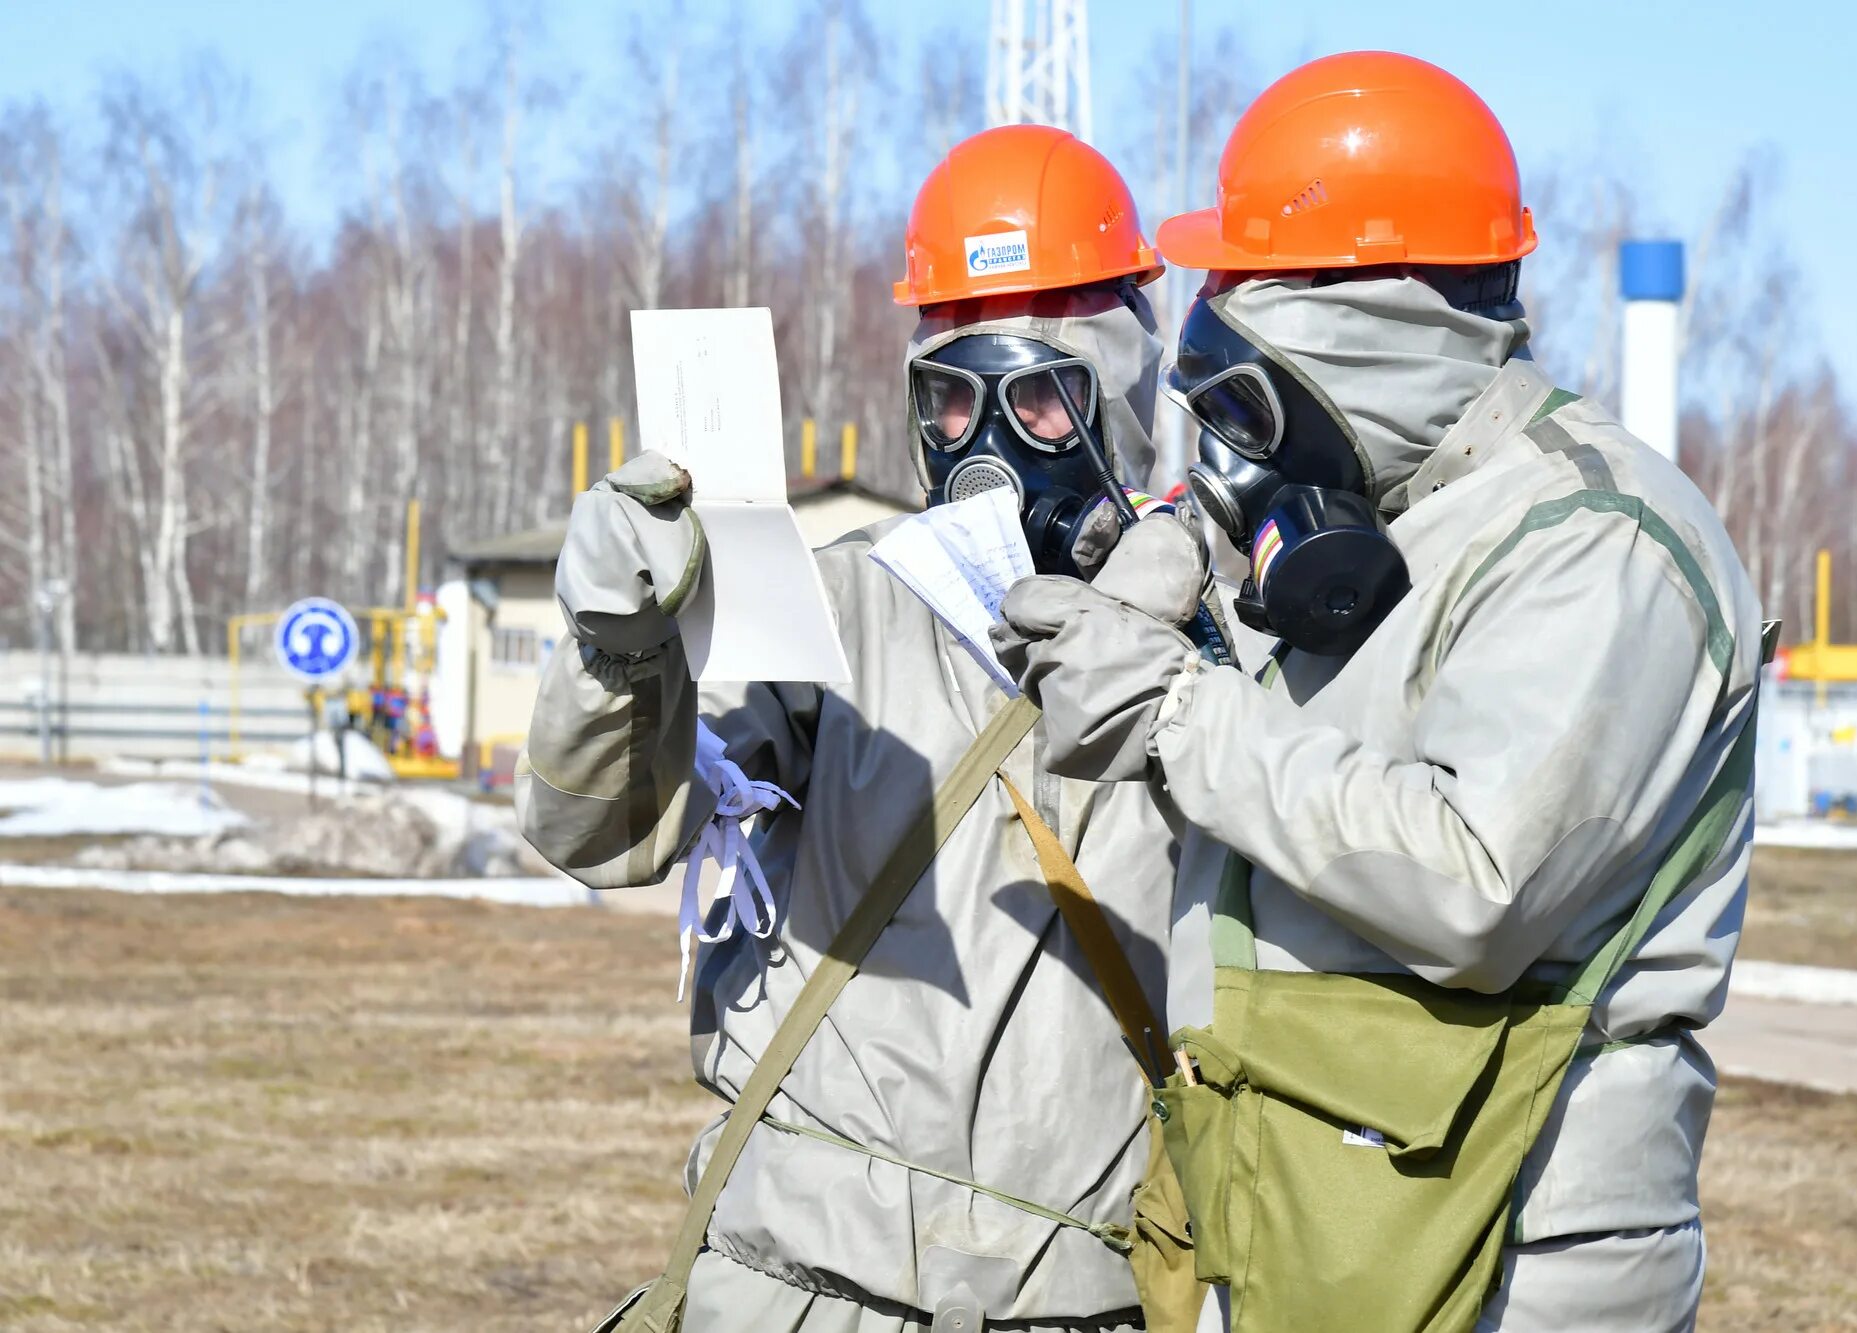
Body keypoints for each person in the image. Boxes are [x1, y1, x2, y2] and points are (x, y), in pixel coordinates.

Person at [996, 52, 1767, 1333]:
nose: (1222, 334)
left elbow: (1473, 883)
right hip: (1329, 1211)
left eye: (1248, 292)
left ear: (1362, 324)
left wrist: (1181, 708)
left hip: (1512, 1246)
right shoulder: (1386, 521)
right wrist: (1186, 588)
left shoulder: (1593, 541)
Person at [518, 124, 1214, 1333]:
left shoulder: (1215, 647)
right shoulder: (830, 611)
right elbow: (602, 836)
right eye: (948, 397)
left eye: (1044, 398)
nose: (985, 442)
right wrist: (619, 657)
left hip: (1087, 1298)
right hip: (800, 1291)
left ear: (1121, 394)